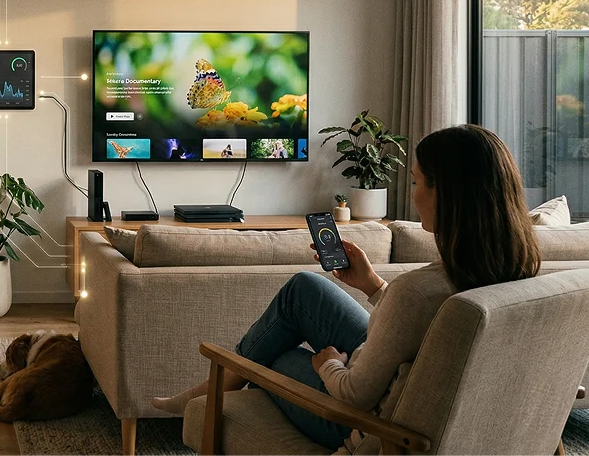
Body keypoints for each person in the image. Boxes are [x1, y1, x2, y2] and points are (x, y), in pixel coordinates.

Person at [152, 125, 541, 451]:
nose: (413, 193)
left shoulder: (417, 292)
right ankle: (209, 387)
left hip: (360, 421)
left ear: (446, 195)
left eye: (416, 181)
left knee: (271, 353)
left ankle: (210, 391)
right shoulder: (520, 271)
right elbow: (425, 324)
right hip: (403, 378)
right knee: (304, 288)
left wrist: (328, 364)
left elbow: (354, 396)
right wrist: (373, 285)